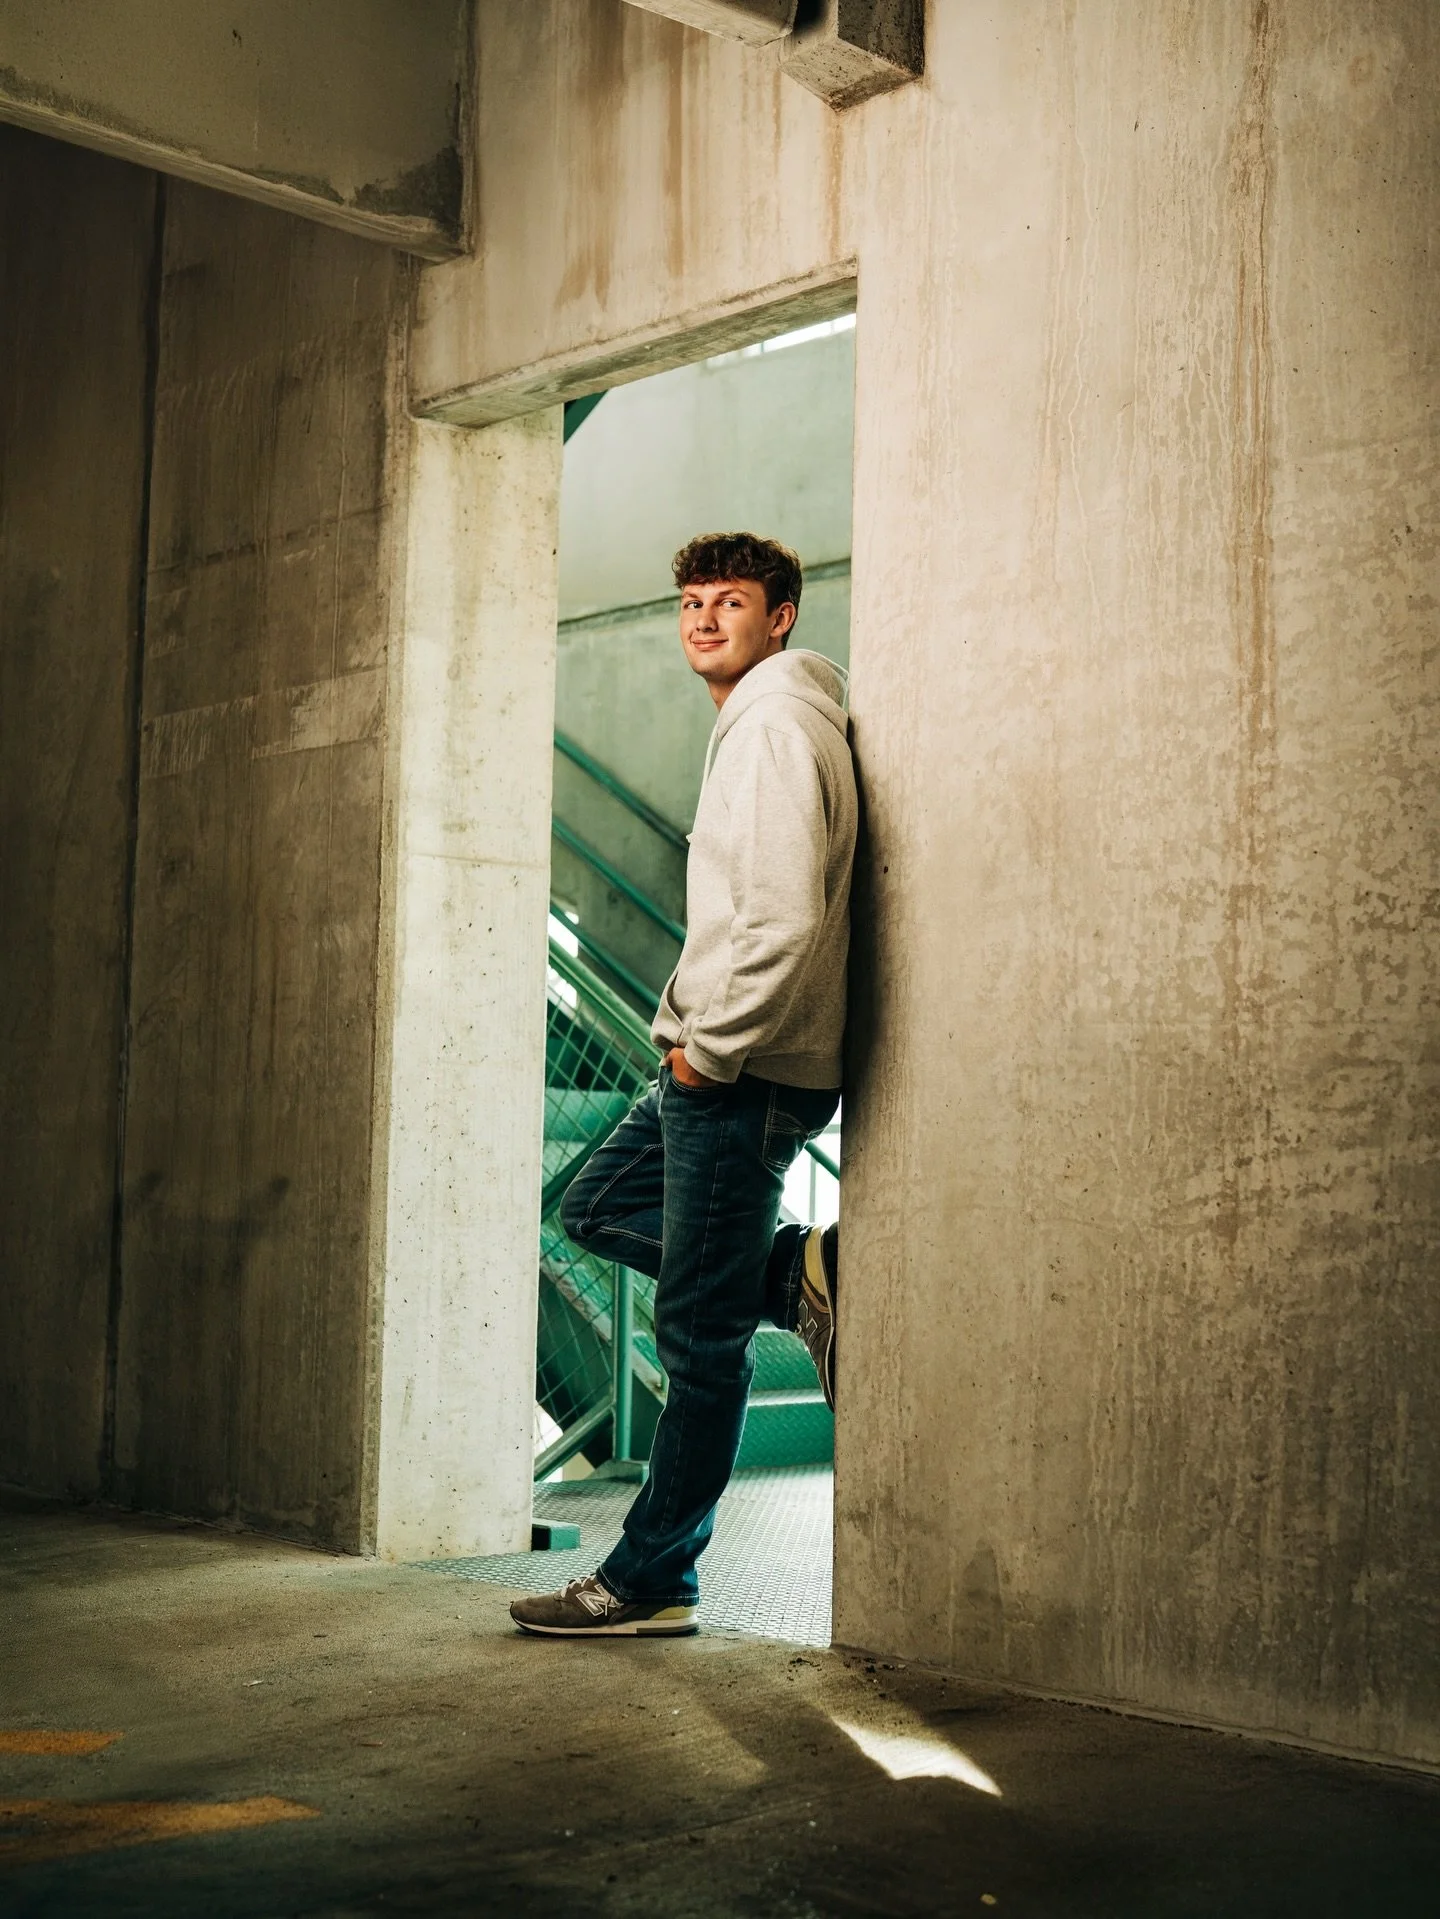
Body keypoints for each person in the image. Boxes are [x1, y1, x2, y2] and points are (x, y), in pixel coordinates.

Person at [511, 532, 857, 1638]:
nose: (705, 620)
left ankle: (654, 1575)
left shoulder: (770, 727)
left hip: (738, 1072)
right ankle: (798, 1274)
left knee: (698, 1345)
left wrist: (712, 1047)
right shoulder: (768, 717)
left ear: (782, 615)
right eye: (693, 602)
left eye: (733, 602)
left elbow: (786, 917)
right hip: (720, 1065)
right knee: (595, 1206)